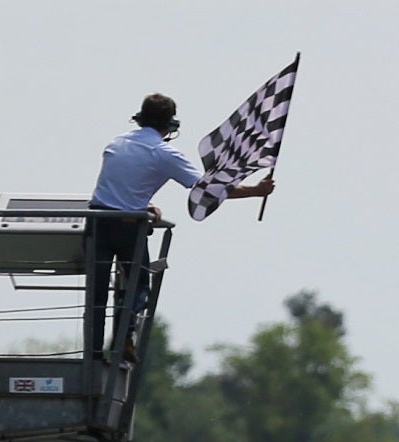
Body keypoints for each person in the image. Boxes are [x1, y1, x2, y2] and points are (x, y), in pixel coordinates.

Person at [85, 93, 275, 360]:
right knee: (138, 287)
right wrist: (255, 191)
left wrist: (144, 204)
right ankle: (123, 338)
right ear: (169, 126)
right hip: (128, 227)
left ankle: (92, 354)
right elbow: (207, 189)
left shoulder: (116, 143)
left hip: (97, 221)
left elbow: (122, 186)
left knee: (97, 294)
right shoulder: (164, 153)